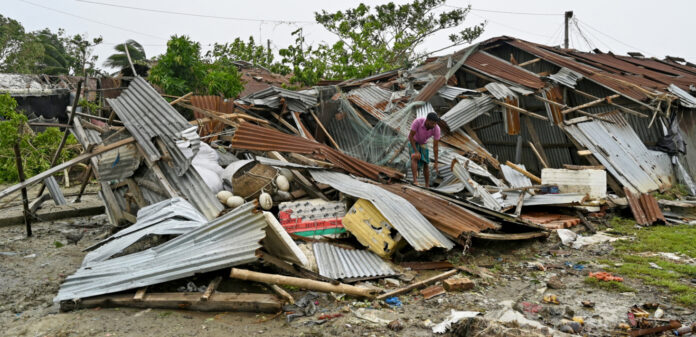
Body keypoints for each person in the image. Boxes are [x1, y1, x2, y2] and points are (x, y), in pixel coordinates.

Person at [408, 112, 440, 187]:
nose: (433, 125)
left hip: (423, 143)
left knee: (426, 163)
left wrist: (436, 162)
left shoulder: (436, 129)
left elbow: (435, 146)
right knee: (415, 157)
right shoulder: (418, 121)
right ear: (427, 120)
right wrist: (416, 151)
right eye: (432, 123)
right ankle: (415, 181)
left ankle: (427, 185)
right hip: (414, 140)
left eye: (435, 124)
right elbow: (410, 136)